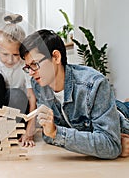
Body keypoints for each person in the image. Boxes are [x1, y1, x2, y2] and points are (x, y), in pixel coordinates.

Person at [19, 29, 129, 159]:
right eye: (28, 67)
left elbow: (110, 146)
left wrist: (57, 133)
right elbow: (47, 134)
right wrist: (55, 132)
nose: (31, 72)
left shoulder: (94, 84)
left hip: (122, 115)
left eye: (35, 64)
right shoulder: (39, 84)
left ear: (56, 57)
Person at [0, 14, 37, 147]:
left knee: (15, 93)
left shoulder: (24, 65)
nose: (10, 60)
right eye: (5, 54)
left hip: (16, 112)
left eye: (15, 55)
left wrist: (29, 131)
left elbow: (32, 98)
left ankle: (12, 132)